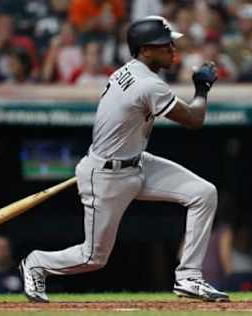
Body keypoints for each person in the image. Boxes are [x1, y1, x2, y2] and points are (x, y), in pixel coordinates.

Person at [19, 16, 229, 303]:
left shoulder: (129, 71)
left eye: (171, 43)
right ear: (145, 51)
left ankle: (189, 277)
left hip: (136, 162)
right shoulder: (147, 84)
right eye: (164, 45)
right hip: (106, 176)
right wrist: (202, 89)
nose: (172, 49)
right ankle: (36, 263)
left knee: (203, 193)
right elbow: (194, 119)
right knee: (93, 257)